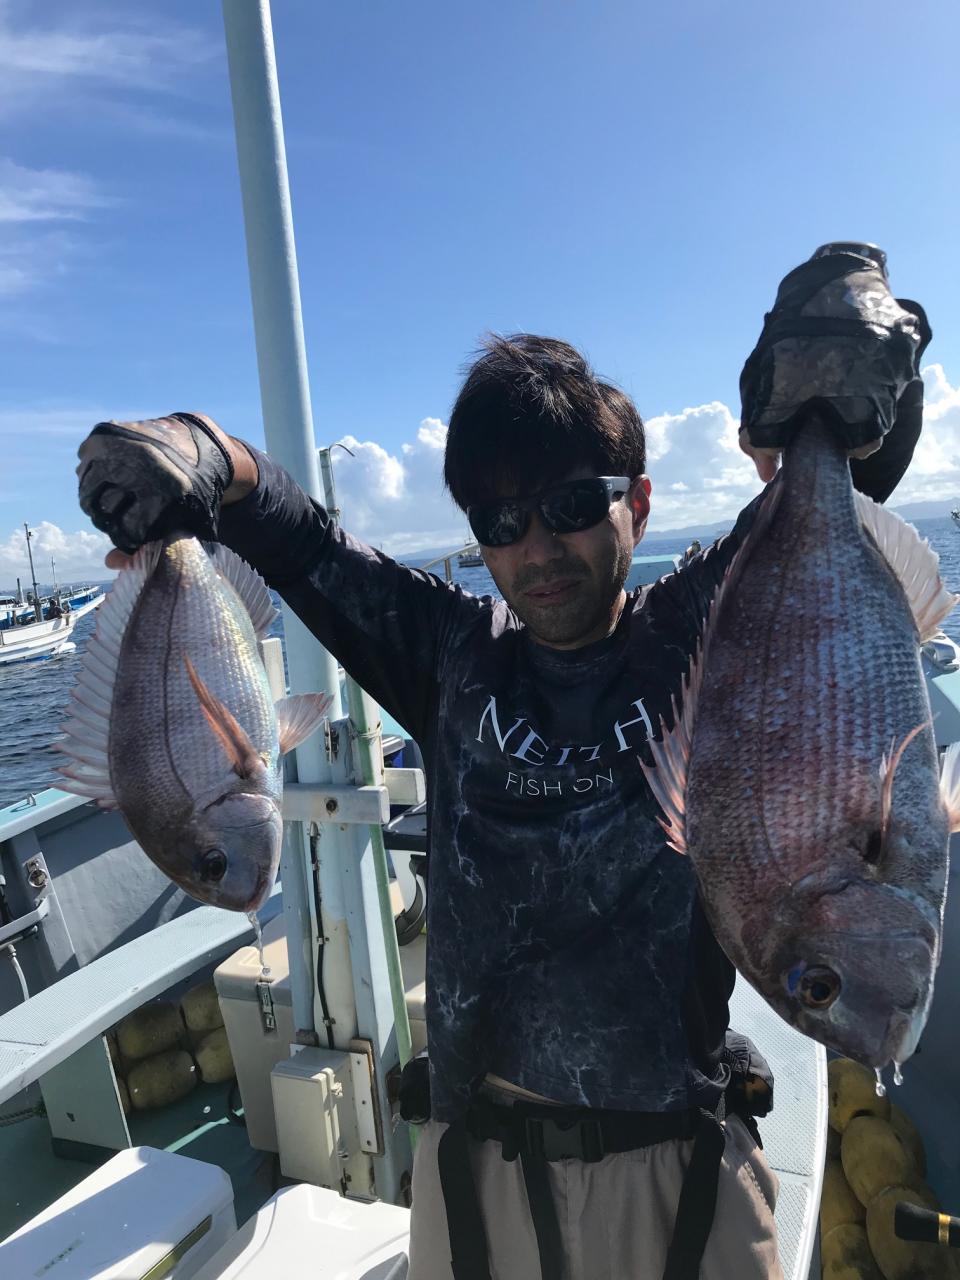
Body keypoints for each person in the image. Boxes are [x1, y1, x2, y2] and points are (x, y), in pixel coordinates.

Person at [76, 245, 929, 1280]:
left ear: (637, 503)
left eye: (572, 505)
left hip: (677, 1172)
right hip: (475, 1175)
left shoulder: (703, 622)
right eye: (501, 522)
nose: (538, 547)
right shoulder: (451, 653)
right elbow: (298, 537)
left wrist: (847, 369)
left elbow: (836, 483)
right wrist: (196, 450)